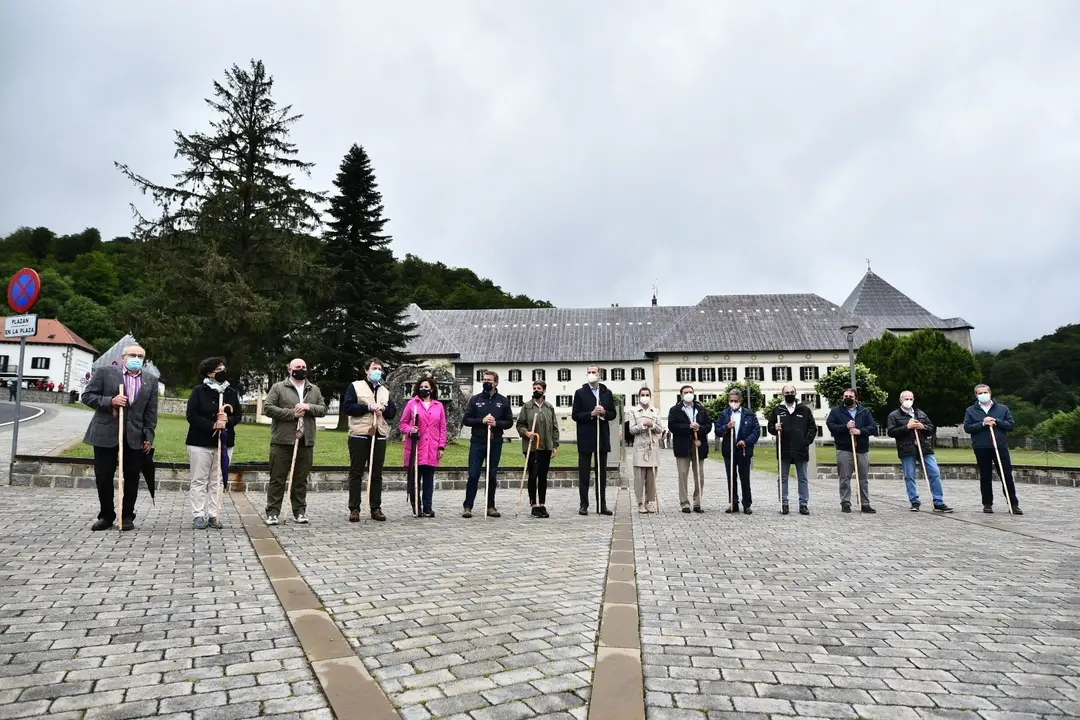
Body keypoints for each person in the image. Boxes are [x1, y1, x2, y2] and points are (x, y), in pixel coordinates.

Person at [81, 344, 158, 532]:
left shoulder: (151, 380)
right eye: (133, 355)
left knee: (132, 476)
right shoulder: (105, 373)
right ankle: (106, 515)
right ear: (124, 357)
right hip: (105, 432)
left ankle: (127, 515)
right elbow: (87, 396)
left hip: (135, 435)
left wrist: (149, 435)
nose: (136, 358)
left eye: (140, 356)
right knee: (104, 475)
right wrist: (110, 401)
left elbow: (151, 411)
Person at [263, 358, 327, 525]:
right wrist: (292, 413)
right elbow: (268, 408)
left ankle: (299, 511)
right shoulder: (278, 387)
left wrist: (308, 407)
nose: (301, 369)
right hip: (283, 440)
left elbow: (322, 409)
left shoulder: (313, 389)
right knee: (277, 478)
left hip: (306, 441)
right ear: (289, 369)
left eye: (304, 366)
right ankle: (272, 512)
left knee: (300, 479)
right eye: (298, 366)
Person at [185, 357, 243, 529]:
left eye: (224, 369)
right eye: (219, 370)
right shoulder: (199, 391)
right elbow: (192, 416)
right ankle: (198, 514)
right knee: (199, 480)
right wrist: (212, 425)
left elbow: (237, 415)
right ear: (210, 373)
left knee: (217, 480)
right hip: (200, 443)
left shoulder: (231, 392)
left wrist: (227, 420)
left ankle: (213, 514)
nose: (223, 372)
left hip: (224, 443)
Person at [343, 359, 397, 522]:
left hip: (379, 434)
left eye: (380, 369)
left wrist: (383, 409)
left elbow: (392, 413)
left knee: (376, 473)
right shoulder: (355, 386)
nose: (377, 371)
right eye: (374, 368)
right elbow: (348, 408)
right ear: (366, 371)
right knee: (356, 472)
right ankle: (354, 508)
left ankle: (376, 507)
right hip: (359, 433)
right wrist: (367, 407)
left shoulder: (384, 391)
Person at [886, 391, 953, 513]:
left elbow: (931, 428)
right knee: (909, 475)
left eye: (911, 398)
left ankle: (938, 501)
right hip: (906, 448)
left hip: (924, 447)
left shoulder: (920, 413)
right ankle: (914, 501)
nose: (908, 400)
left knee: (934, 472)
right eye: (906, 398)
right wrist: (907, 427)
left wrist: (923, 427)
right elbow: (891, 432)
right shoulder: (894, 415)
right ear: (901, 400)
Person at [461, 370, 514, 517]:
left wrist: (496, 423)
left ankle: (490, 506)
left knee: (491, 475)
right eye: (484, 379)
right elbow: (466, 419)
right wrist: (481, 421)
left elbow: (509, 422)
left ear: (496, 382)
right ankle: (468, 506)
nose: (486, 382)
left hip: (495, 441)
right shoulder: (475, 400)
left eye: (489, 380)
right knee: (473, 475)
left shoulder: (503, 401)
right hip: (478, 441)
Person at [963, 384, 1022, 515]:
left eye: (985, 392)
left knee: (1006, 475)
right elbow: (967, 428)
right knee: (985, 476)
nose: (983, 394)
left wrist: (997, 421)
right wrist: (983, 423)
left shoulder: (1002, 408)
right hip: (981, 447)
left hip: (1000, 446)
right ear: (976, 395)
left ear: (990, 393)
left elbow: (1011, 425)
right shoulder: (970, 410)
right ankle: (987, 503)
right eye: (980, 393)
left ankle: (1013, 503)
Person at [572, 365, 617, 516]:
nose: (591, 375)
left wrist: (604, 412)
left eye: (594, 372)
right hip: (585, 437)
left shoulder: (606, 393)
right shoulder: (580, 393)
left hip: (602, 438)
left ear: (599, 375)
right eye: (589, 372)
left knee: (601, 473)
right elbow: (575, 415)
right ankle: (583, 504)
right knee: (584, 473)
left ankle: (602, 504)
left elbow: (613, 414)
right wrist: (591, 414)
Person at [399, 376, 447, 518]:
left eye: (427, 387)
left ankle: (428, 507)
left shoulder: (439, 406)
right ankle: (416, 507)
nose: (424, 389)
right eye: (421, 387)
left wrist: (441, 446)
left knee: (428, 480)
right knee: (415, 479)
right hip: (416, 447)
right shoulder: (412, 404)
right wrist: (410, 430)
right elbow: (402, 423)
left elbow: (443, 428)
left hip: (431, 447)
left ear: (431, 389)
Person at [825, 388, 879, 513]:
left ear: (856, 398)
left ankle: (865, 503)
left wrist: (860, 431)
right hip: (844, 448)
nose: (847, 398)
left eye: (850, 396)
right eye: (845, 396)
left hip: (862, 449)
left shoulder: (864, 411)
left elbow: (872, 427)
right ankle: (845, 502)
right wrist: (845, 427)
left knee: (863, 479)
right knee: (844, 478)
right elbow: (831, 426)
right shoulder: (836, 412)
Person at [767, 385, 817, 515]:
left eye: (791, 392)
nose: (789, 394)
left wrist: (806, 441)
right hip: (784, 448)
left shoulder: (804, 410)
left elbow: (812, 428)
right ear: (782, 394)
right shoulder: (778, 410)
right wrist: (774, 427)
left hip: (800, 448)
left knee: (803, 477)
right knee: (783, 477)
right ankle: (784, 503)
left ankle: (803, 504)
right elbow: (770, 427)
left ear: (795, 393)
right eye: (787, 392)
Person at [516, 379, 559, 518]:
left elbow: (554, 427)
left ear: (544, 390)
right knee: (533, 475)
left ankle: (542, 504)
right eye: (534, 387)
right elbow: (520, 424)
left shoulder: (549, 407)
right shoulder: (527, 407)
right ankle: (534, 504)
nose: (536, 390)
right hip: (532, 447)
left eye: (539, 388)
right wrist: (526, 433)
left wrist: (555, 445)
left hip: (546, 446)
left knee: (543, 476)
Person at [666, 384, 711, 513]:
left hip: (698, 444)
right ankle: (684, 503)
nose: (688, 394)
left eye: (690, 391)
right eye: (686, 392)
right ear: (681, 395)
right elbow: (672, 426)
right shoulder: (675, 410)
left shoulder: (701, 409)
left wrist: (699, 428)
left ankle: (698, 502)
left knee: (699, 475)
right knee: (683, 475)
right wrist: (688, 426)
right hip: (682, 445)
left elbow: (708, 425)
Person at [716, 389, 761, 514]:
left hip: (743, 450)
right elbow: (718, 430)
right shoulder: (724, 414)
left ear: (740, 400)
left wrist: (746, 442)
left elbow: (756, 431)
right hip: (729, 451)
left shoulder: (749, 414)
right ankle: (733, 503)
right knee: (731, 478)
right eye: (731, 401)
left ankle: (747, 504)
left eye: (736, 401)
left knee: (744, 478)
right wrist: (726, 427)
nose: (733, 403)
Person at [628, 386, 665, 513]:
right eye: (642, 395)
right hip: (640, 447)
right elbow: (631, 430)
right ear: (639, 397)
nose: (644, 397)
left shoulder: (655, 411)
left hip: (652, 447)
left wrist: (653, 425)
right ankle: (639, 502)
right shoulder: (633, 411)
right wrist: (643, 425)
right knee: (639, 478)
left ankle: (649, 501)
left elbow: (660, 429)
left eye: (646, 394)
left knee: (651, 478)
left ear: (650, 396)